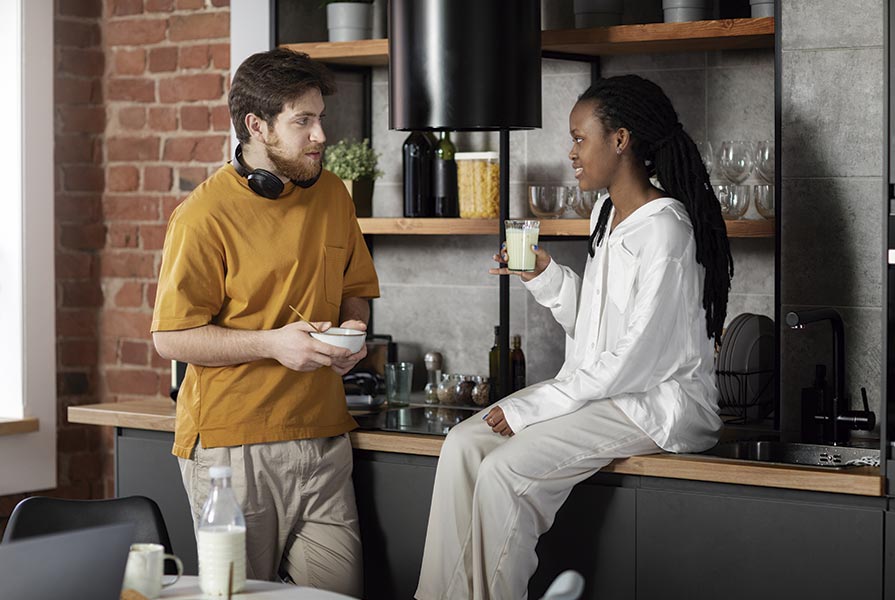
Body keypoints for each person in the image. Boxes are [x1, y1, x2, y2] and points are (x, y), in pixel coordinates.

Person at [415, 74, 732, 600]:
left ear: (621, 139)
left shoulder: (666, 230)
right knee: (463, 445)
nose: (571, 152)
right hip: (607, 391)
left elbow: (637, 357)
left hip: (654, 403)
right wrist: (546, 276)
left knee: (505, 472)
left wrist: (534, 407)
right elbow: (596, 334)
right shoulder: (607, 214)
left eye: (580, 138)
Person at [151, 48, 379, 597]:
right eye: (303, 121)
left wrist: (353, 331)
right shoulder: (203, 215)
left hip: (324, 438)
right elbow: (171, 337)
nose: (321, 135)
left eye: (320, 118)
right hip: (234, 449)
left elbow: (355, 290)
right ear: (256, 126)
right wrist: (273, 344)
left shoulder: (333, 195)